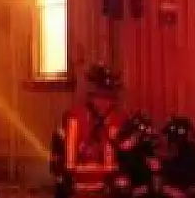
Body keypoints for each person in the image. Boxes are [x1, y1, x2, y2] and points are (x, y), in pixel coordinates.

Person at [50, 63, 128, 198]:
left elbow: (119, 157)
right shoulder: (75, 118)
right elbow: (62, 153)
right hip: (77, 184)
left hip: (104, 185)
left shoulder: (117, 119)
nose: (104, 102)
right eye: (101, 97)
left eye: (107, 98)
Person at [112, 111, 163, 198]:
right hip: (132, 187)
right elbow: (122, 179)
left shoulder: (147, 148)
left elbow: (157, 174)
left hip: (147, 188)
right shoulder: (125, 150)